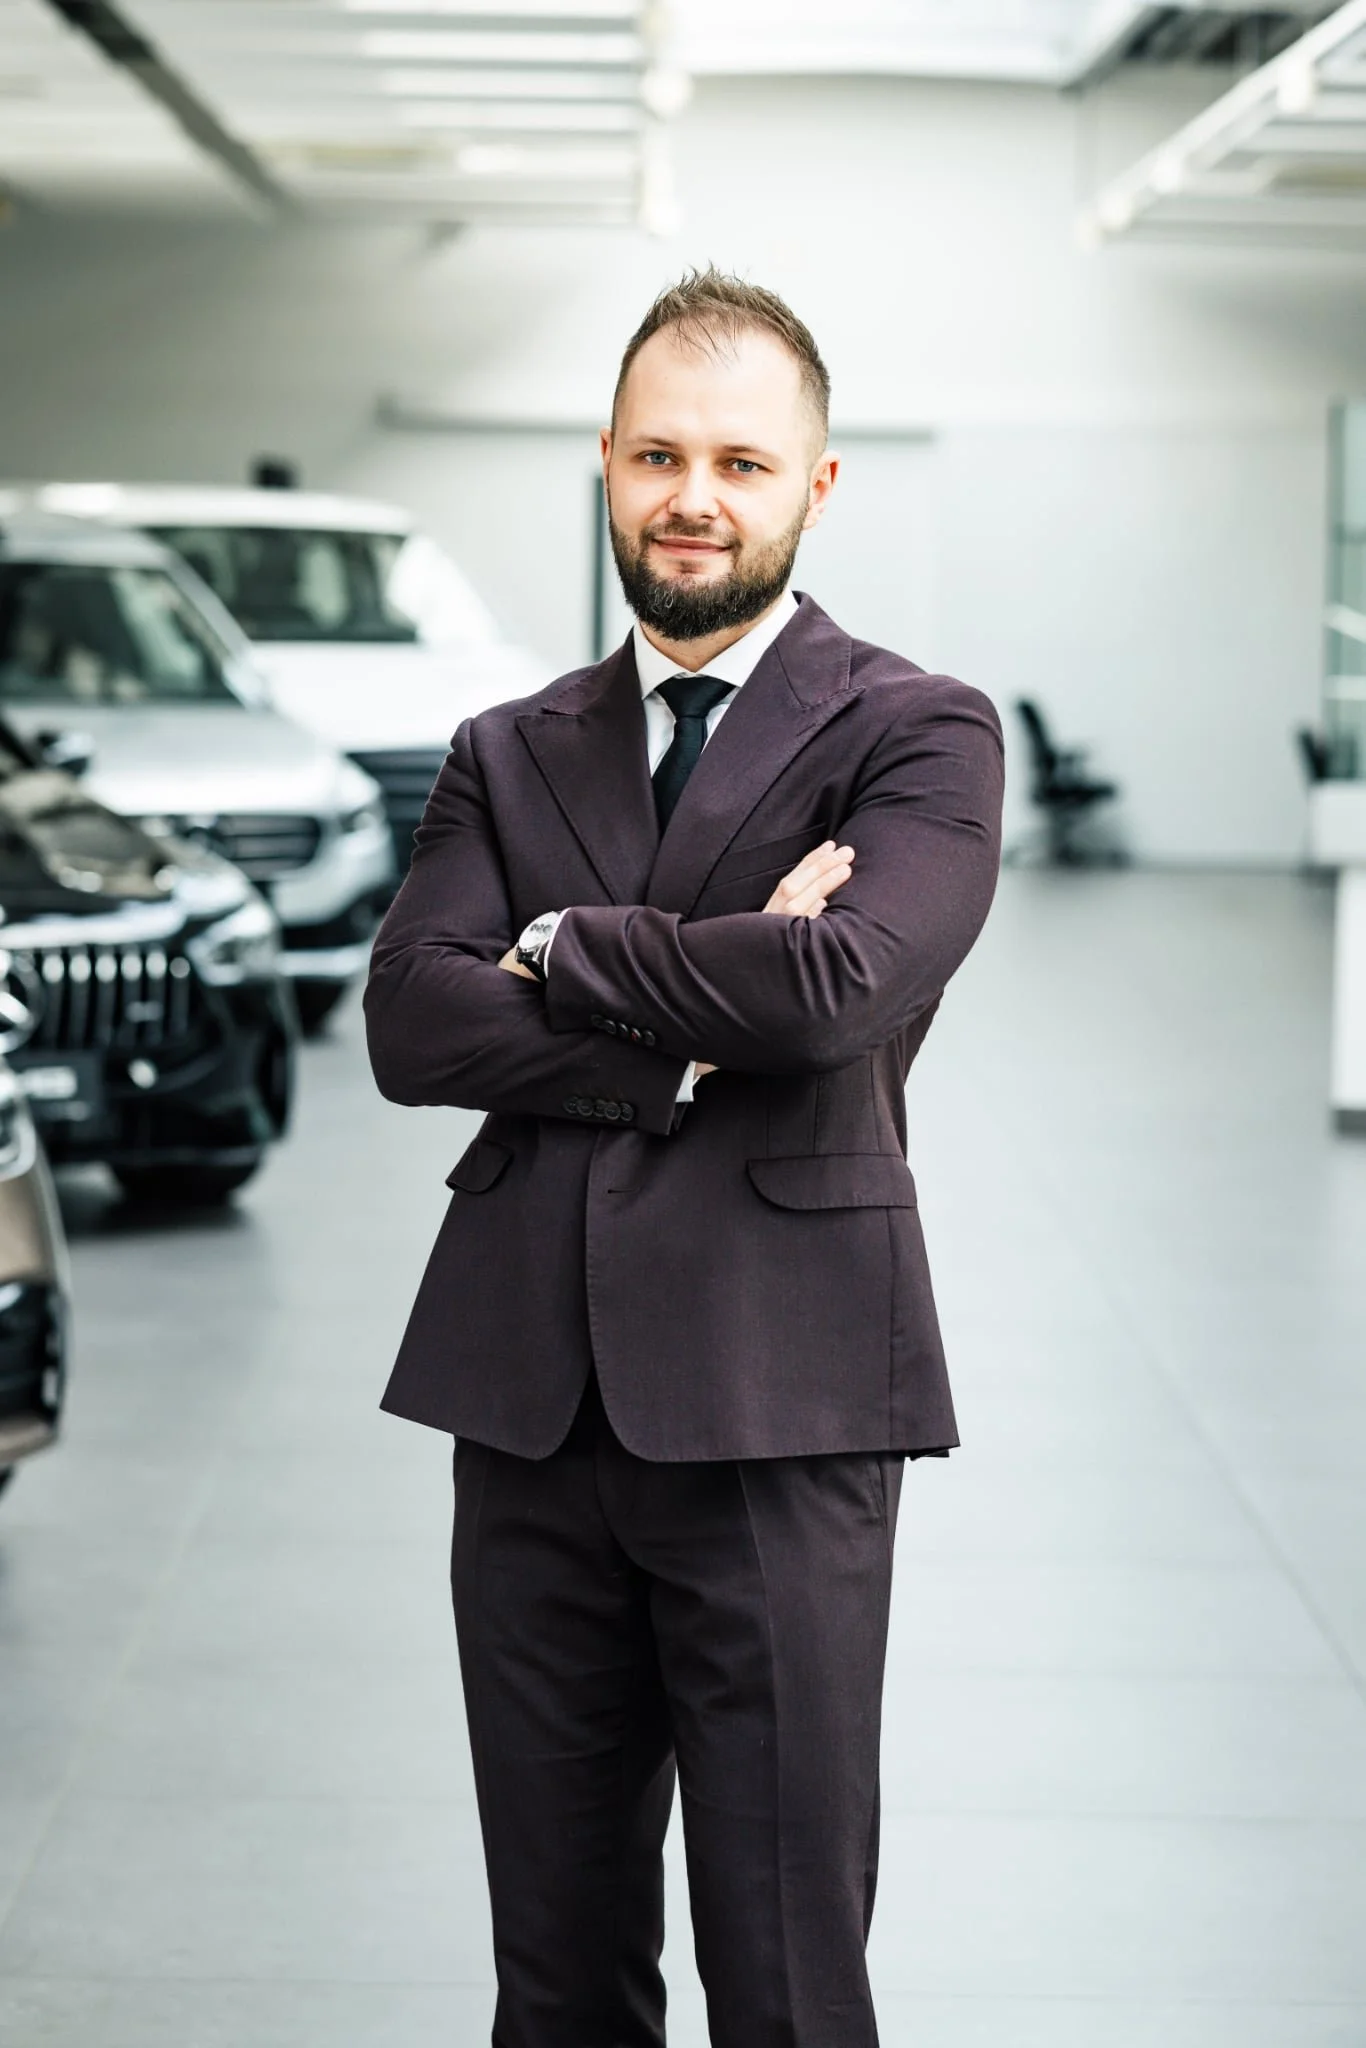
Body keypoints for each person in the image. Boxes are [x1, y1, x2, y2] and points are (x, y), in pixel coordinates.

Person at [365, 267, 1004, 2048]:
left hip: (778, 1404)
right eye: (657, 454)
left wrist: (562, 947)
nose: (691, 497)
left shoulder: (918, 730)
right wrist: (695, 1027)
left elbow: (837, 987)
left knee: (788, 1978)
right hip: (526, 1408)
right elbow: (411, 1025)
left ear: (815, 484)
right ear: (605, 466)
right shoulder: (507, 748)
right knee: (554, 1977)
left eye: (739, 458)